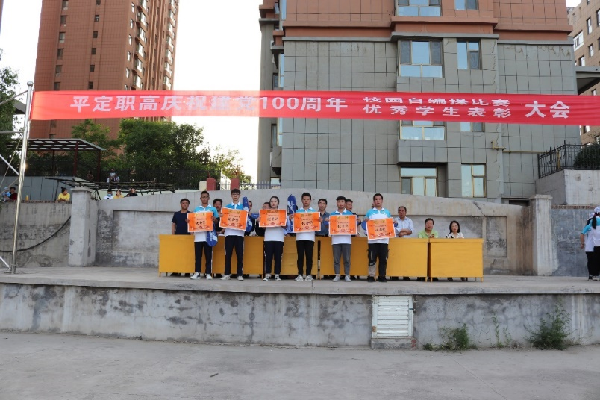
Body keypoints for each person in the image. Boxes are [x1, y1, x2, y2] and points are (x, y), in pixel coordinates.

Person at [191, 191, 219, 280]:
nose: (204, 198)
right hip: (198, 236)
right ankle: (197, 273)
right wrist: (189, 221)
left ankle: (208, 273)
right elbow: (193, 220)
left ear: (208, 198)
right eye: (203, 197)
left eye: (206, 197)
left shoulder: (213, 209)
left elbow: (217, 221)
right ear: (200, 198)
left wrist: (214, 219)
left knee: (208, 256)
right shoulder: (196, 209)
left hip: (208, 236)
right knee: (198, 256)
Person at [365, 193, 392, 283]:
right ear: (374, 201)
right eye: (376, 199)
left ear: (382, 200)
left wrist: (393, 222)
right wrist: (365, 222)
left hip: (384, 240)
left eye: (379, 199)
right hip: (372, 240)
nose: (378, 201)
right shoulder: (369, 212)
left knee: (383, 259)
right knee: (372, 259)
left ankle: (382, 276)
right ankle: (371, 276)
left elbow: (390, 224)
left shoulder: (387, 212)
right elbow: (364, 225)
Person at [262, 196, 288, 282]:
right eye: (272, 201)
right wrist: (260, 221)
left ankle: (277, 274)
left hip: (279, 238)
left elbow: (286, 226)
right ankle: (268, 274)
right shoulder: (266, 213)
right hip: (268, 238)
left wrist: (281, 222)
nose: (273, 203)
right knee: (268, 257)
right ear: (270, 203)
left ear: (278, 203)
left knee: (278, 257)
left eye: (275, 201)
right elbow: (263, 227)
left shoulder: (282, 213)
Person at [222, 189, 245, 281]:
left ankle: (240, 274)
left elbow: (246, 219)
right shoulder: (226, 207)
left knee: (240, 255)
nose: (235, 196)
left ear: (239, 195)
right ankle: (227, 273)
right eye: (234, 194)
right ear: (231, 195)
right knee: (228, 254)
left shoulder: (243, 207)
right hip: (229, 233)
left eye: (237, 194)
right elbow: (223, 220)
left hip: (239, 234)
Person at [330, 196, 353, 282]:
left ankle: (347, 275)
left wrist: (357, 221)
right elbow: (328, 225)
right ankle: (337, 275)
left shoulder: (350, 214)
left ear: (345, 203)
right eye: (339, 202)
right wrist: (327, 221)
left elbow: (354, 225)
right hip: (336, 240)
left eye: (342, 202)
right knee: (336, 259)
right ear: (337, 203)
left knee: (347, 259)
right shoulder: (332, 214)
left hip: (346, 240)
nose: (341, 203)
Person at [294, 192, 316, 282]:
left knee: (309, 257)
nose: (306, 201)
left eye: (307, 199)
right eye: (304, 199)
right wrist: (292, 218)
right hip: (300, 237)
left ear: (310, 200)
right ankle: (300, 274)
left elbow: (316, 224)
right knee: (300, 256)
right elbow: (294, 224)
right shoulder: (297, 212)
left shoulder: (314, 212)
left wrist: (319, 220)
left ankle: (308, 274)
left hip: (310, 237)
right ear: (301, 200)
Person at [171, 198, 191, 277]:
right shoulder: (176, 214)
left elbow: (192, 225)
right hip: (178, 236)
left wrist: (192, 236)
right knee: (177, 254)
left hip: (187, 237)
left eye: (186, 203)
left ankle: (187, 271)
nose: (184, 204)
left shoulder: (190, 214)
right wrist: (173, 235)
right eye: (183, 203)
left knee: (187, 255)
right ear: (180, 204)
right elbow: (173, 225)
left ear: (188, 205)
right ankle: (176, 271)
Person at [581, 207, 600, 281]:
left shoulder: (589, 225)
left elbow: (582, 234)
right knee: (596, 261)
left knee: (591, 261)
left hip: (591, 247)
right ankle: (594, 274)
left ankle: (591, 275)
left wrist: (582, 243)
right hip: (594, 246)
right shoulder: (593, 224)